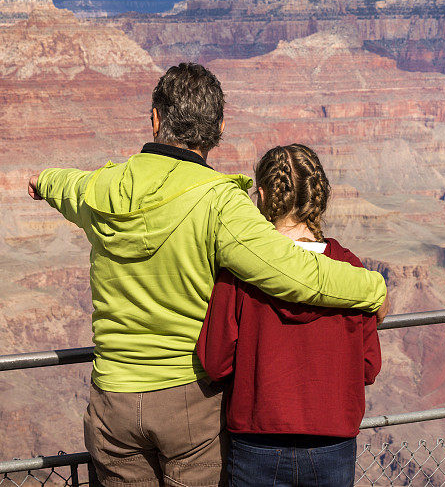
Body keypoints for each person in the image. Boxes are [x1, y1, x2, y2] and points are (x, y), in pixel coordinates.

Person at [26, 63, 389, 487]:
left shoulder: (98, 189)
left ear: (156, 119)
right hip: (187, 406)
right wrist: (373, 287)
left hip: (113, 403)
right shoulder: (220, 203)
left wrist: (41, 181)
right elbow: (295, 272)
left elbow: (65, 184)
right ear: (217, 128)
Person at [196, 144, 381, 487]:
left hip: (257, 445)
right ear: (320, 197)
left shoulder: (240, 271)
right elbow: (368, 368)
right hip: (332, 445)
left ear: (262, 197)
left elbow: (215, 361)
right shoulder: (351, 271)